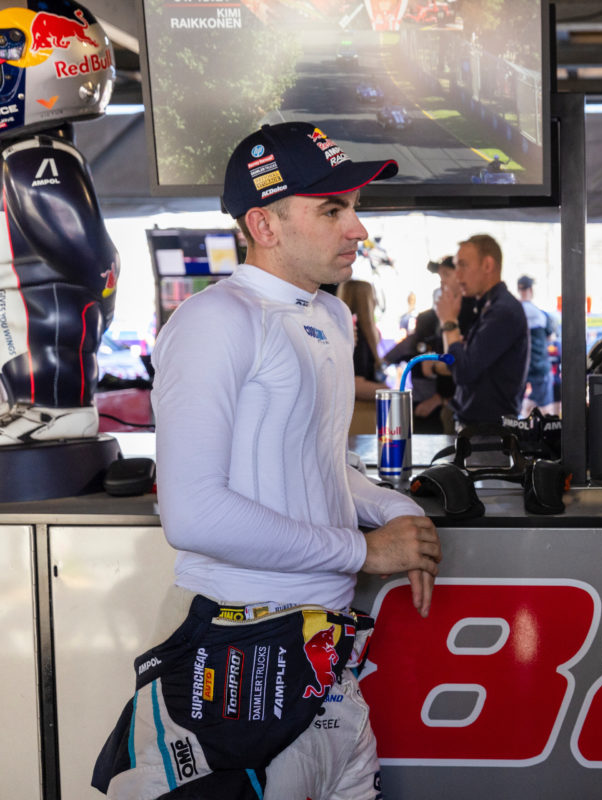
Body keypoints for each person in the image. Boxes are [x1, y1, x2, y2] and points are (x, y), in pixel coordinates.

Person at [93, 122, 442, 799]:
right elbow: (192, 514)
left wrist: (402, 513)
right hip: (235, 661)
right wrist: (366, 553)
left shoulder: (332, 319)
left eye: (355, 207)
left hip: (325, 661)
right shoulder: (215, 321)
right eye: (332, 209)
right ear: (264, 223)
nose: (358, 230)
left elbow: (316, 463)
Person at [0, 2, 118, 446]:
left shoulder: (36, 158)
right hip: (22, 323)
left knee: (47, 344)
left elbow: (93, 259)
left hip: (52, 329)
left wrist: (100, 299)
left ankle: (56, 412)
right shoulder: (24, 156)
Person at [433, 234, 529, 427]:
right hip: (477, 428)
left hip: (488, 432)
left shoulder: (503, 311)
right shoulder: (487, 306)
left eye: (463, 265)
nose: (457, 275)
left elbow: (463, 372)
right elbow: (455, 363)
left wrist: (449, 322)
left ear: (487, 265)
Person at [384, 256, 461, 434]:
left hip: (452, 403)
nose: (442, 282)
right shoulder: (427, 318)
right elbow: (412, 348)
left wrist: (439, 397)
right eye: (441, 277)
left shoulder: (472, 313)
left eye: (447, 275)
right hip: (425, 399)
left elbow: (461, 365)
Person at [339, 279, 390, 435]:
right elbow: (356, 384)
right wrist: (389, 391)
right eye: (372, 296)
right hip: (359, 418)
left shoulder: (345, 332)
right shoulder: (358, 336)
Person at [517, 274, 558, 416]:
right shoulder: (541, 315)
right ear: (531, 290)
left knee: (521, 405)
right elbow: (550, 336)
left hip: (520, 368)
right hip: (539, 367)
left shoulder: (514, 312)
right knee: (545, 409)